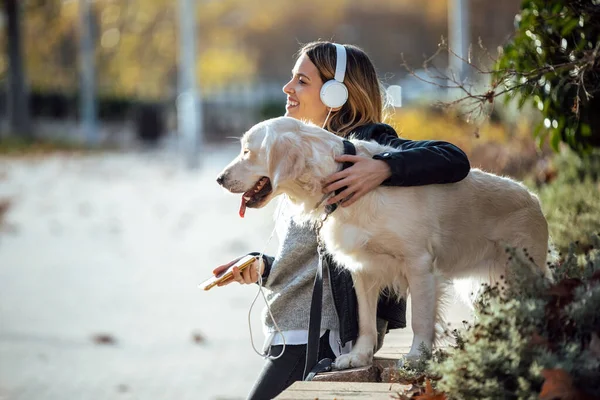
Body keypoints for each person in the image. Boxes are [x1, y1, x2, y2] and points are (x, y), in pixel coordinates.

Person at [212, 41, 470, 400]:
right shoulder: (300, 160)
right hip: (292, 333)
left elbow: (453, 158)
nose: (288, 89)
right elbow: (312, 259)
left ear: (336, 92)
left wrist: (385, 167)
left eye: (301, 81)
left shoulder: (363, 145)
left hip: (327, 340)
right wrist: (264, 267)